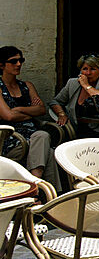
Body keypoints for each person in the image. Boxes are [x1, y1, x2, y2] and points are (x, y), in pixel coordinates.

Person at [0, 46, 60, 190]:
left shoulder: (27, 86)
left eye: (21, 60)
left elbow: (41, 109)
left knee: (42, 138)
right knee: (47, 148)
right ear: (1, 65)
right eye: (13, 61)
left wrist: (18, 109)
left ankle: (36, 187)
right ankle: (46, 192)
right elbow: (7, 116)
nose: (19, 64)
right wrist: (30, 112)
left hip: (33, 136)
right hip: (10, 138)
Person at [50, 52, 99, 137]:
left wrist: (86, 85)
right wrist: (61, 114)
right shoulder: (72, 83)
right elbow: (55, 102)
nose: (88, 73)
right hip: (74, 130)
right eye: (85, 69)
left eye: (92, 69)